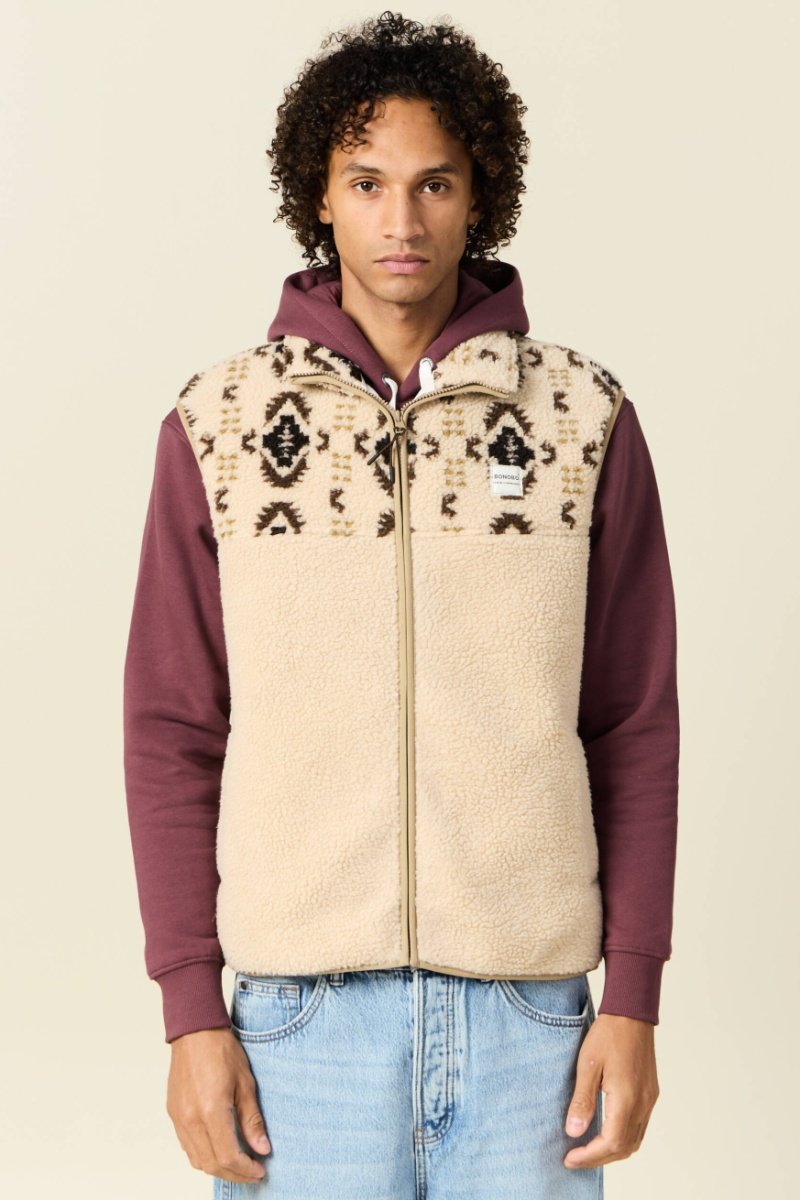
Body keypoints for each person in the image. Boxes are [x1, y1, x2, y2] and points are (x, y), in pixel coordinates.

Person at [123, 11, 679, 1197]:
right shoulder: (218, 427)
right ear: (318, 198)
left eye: (434, 183)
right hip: (295, 1028)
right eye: (365, 182)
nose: (401, 221)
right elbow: (172, 729)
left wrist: (632, 994)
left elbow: (632, 721)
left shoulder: (581, 419)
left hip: (530, 1026)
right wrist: (189, 1012)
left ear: (479, 195)